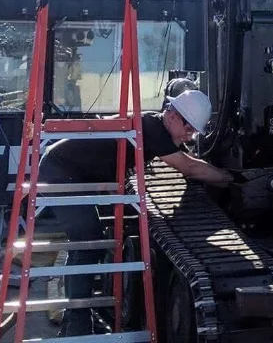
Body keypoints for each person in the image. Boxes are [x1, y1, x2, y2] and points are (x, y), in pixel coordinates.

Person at [37, 89, 233, 337]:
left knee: (87, 243)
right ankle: (77, 324)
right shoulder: (152, 128)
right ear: (173, 115)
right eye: (189, 128)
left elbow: (188, 159)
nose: (190, 135)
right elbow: (189, 167)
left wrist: (216, 171)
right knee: (88, 242)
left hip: (71, 172)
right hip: (59, 171)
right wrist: (229, 178)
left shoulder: (155, 125)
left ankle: (75, 319)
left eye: (194, 131)